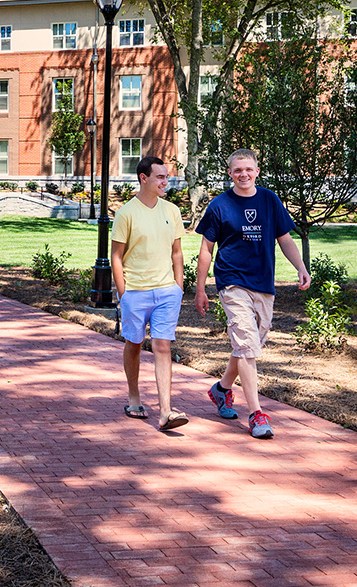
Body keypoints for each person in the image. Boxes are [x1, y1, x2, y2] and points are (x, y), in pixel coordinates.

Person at [194, 148, 310, 439]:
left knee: (249, 344)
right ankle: (256, 414)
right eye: (237, 170)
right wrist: (200, 288)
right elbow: (206, 249)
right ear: (230, 173)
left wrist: (300, 267)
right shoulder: (219, 205)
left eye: (248, 169)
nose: (243, 174)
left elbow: (284, 239)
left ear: (257, 171)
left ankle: (221, 390)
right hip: (232, 282)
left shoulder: (269, 200)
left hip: (263, 283)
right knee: (247, 346)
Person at [111, 155, 189, 431]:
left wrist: (178, 287)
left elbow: (177, 253)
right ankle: (134, 397)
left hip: (167, 292)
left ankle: (166, 411)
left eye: (166, 176)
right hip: (136, 292)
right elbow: (116, 257)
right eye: (160, 177)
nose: (165, 181)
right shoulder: (126, 213)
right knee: (134, 344)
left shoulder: (172, 211)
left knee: (162, 345)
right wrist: (124, 294)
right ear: (144, 178)